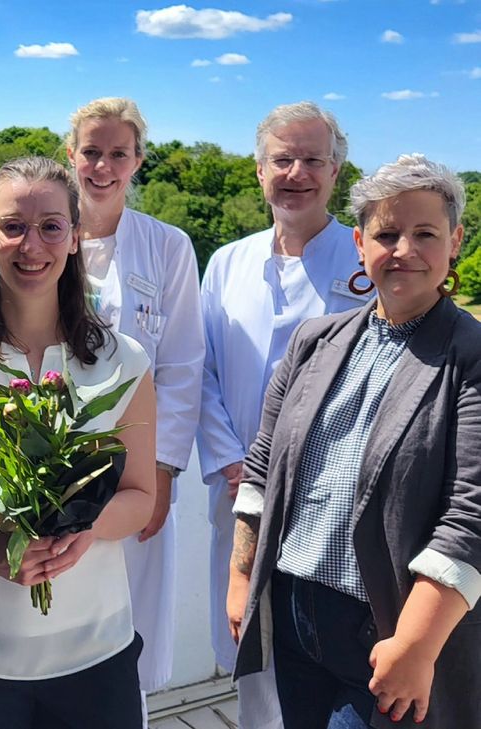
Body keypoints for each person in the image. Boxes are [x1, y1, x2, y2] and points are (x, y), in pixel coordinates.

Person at [0, 156, 157, 729]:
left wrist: (85, 528)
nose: (31, 245)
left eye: (51, 227)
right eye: (13, 226)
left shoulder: (126, 361)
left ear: (75, 237)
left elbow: (141, 495)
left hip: (97, 648)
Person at [227, 153, 481, 728]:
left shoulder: (470, 357)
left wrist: (414, 646)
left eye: (425, 234)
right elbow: (263, 467)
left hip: (388, 630)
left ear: (455, 242)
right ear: (360, 244)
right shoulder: (313, 342)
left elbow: (471, 515)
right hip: (294, 615)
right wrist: (241, 578)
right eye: (387, 234)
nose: (404, 249)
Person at [196, 101, 368, 728]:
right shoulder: (227, 262)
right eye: (283, 159)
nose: (297, 173)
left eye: (313, 160)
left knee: (319, 655)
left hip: (330, 502)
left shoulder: (365, 263)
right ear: (259, 169)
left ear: (336, 171)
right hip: (237, 489)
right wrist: (231, 463)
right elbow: (201, 371)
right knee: (249, 653)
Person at [63, 97, 204, 705]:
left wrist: (163, 470)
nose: (102, 166)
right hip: (51, 461)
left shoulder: (168, 246)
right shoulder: (46, 233)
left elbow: (183, 365)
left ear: (138, 160)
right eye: (91, 152)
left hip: (135, 468)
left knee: (129, 626)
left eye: (118, 154)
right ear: (70, 155)